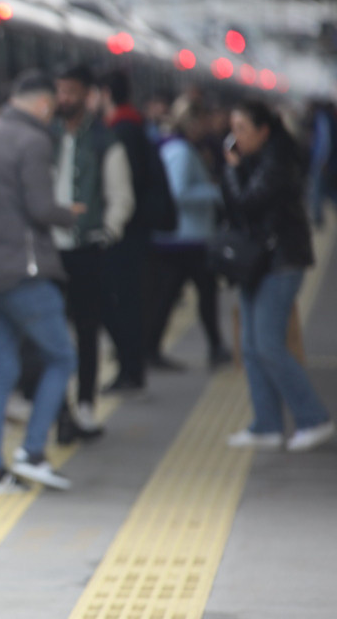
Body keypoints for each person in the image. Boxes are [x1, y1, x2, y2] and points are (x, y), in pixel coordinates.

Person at [0, 71, 82, 494]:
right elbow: (41, 208)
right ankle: (32, 451)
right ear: (44, 105)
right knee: (62, 357)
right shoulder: (33, 142)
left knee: (1, 367)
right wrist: (71, 213)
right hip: (23, 273)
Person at [221, 101, 334, 452]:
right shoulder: (262, 159)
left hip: (280, 262)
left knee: (269, 344)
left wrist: (231, 170)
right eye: (233, 128)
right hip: (258, 262)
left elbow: (245, 203)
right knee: (253, 347)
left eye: (241, 129)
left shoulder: (277, 161)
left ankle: (313, 417)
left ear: (263, 131)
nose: (234, 137)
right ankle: (266, 425)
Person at [51, 65, 133, 442]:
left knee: (86, 328)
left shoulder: (105, 140)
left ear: (87, 95)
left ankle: (85, 404)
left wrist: (109, 230)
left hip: (86, 248)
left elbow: (120, 194)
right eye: (59, 91)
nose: (63, 98)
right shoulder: (44, 134)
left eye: (71, 91)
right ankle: (59, 409)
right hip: (48, 248)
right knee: (51, 333)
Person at [97, 69, 170, 394]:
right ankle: (132, 366)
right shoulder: (134, 125)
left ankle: (130, 368)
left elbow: (128, 187)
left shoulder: (121, 131)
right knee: (127, 301)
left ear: (104, 94)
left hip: (126, 233)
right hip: (136, 231)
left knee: (122, 302)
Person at [147, 97, 230, 370]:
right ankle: (214, 347)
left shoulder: (174, 146)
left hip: (180, 237)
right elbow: (178, 192)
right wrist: (214, 191)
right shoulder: (181, 152)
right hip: (187, 237)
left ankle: (153, 348)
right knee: (201, 293)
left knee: (171, 295)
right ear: (193, 123)